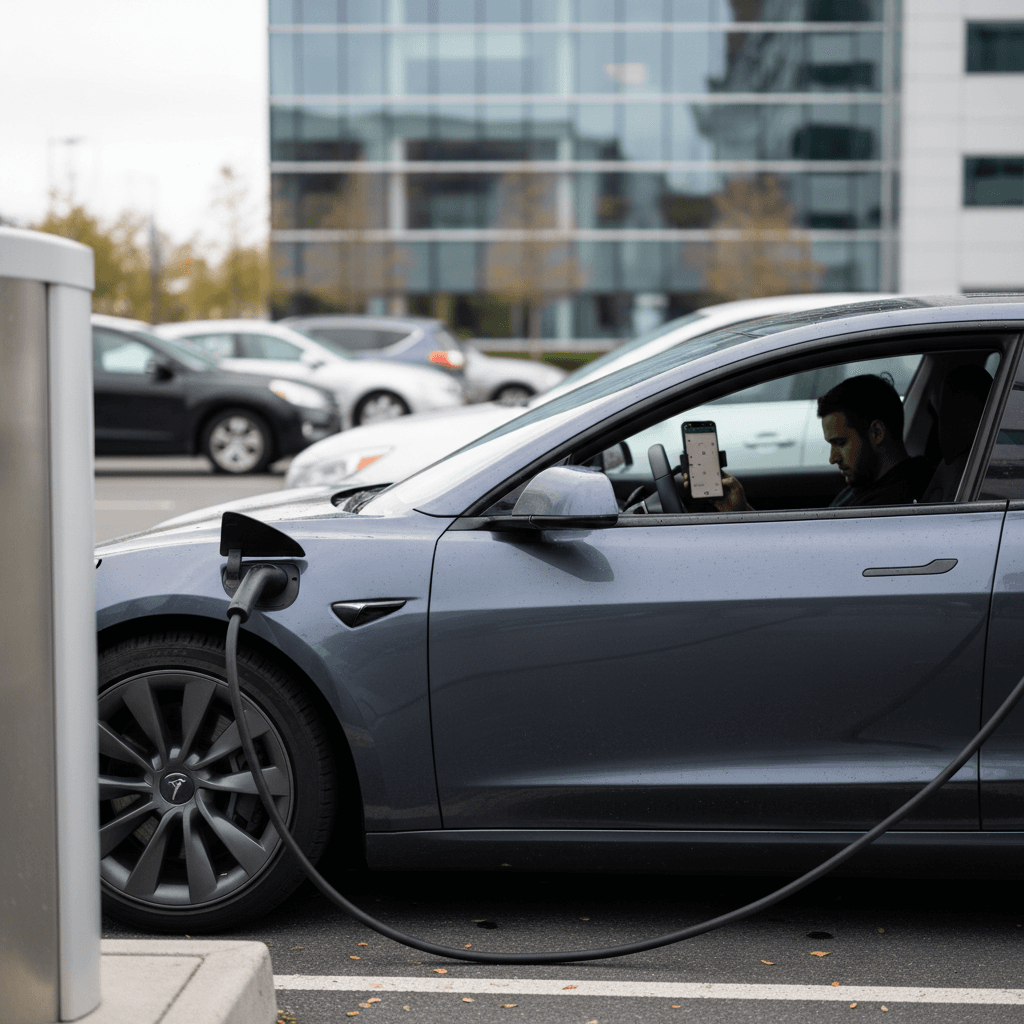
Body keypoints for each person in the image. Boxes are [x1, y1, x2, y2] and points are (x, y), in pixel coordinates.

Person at [713, 374, 933, 512]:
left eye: (840, 442)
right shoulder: (869, 485)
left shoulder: (888, 507)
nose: (832, 458)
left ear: (876, 433)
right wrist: (741, 510)